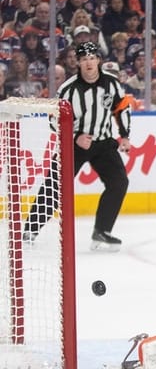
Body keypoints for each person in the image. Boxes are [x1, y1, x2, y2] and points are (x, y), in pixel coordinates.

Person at [23, 41, 132, 251]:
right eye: (84, 59)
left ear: (99, 60)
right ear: (78, 63)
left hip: (104, 143)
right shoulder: (68, 89)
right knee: (54, 186)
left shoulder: (112, 83)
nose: (89, 63)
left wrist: (125, 136)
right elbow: (54, 120)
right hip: (74, 144)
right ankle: (30, 230)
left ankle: (102, 232)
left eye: (92, 58)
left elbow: (122, 108)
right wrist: (76, 136)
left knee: (119, 182)